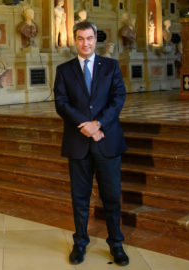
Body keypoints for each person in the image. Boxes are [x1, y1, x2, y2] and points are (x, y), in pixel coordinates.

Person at [54, 21, 129, 266]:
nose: (85, 43)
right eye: (80, 38)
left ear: (96, 39)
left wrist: (98, 125)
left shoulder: (111, 66)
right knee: (80, 197)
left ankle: (116, 244)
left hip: (107, 140)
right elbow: (62, 104)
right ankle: (80, 243)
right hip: (78, 142)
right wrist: (85, 126)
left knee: (111, 196)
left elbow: (118, 97)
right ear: (74, 40)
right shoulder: (64, 70)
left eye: (89, 38)